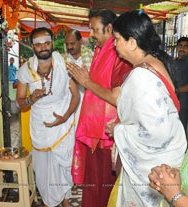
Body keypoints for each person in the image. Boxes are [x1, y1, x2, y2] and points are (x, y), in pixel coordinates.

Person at [68, 10, 187, 207]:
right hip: (165, 156)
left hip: (153, 166)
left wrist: (119, 130)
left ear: (132, 42)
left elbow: (155, 131)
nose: (114, 45)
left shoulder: (141, 77)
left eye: (117, 39)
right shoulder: (154, 64)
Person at [67, 9, 132, 207]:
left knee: (104, 190)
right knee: (93, 188)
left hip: (108, 137)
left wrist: (87, 82)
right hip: (95, 134)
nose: (91, 35)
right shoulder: (100, 51)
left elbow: (116, 98)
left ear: (109, 28)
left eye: (95, 30)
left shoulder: (120, 56)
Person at [16, 27, 79, 207]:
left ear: (52, 43)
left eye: (46, 42)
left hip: (63, 125)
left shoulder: (65, 65)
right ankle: (47, 202)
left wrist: (65, 117)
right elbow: (20, 102)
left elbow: (76, 96)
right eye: (38, 44)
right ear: (32, 46)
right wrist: (31, 98)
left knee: (63, 166)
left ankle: (65, 200)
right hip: (40, 127)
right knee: (43, 169)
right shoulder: (25, 70)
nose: (43, 47)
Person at [63, 29, 93, 126]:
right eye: (67, 44)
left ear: (80, 41)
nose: (69, 47)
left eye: (72, 43)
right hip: (68, 106)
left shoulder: (92, 58)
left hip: (88, 105)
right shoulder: (62, 61)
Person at [174, 37, 188, 135]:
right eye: (180, 46)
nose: (182, 48)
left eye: (186, 46)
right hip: (173, 100)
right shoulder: (174, 61)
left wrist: (176, 90)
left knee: (181, 130)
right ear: (176, 47)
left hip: (183, 102)